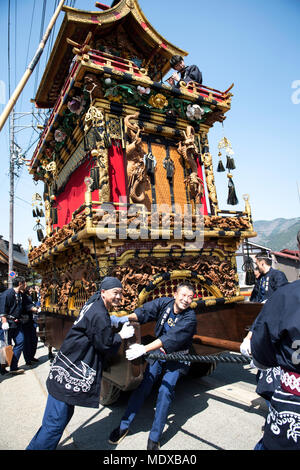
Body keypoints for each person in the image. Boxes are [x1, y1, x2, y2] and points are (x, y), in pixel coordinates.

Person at [26, 277, 135, 450]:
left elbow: (98, 322)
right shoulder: (99, 313)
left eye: (121, 293)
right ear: (103, 292)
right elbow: (105, 344)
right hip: (69, 371)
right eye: (115, 292)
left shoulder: (94, 302)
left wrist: (112, 319)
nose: (119, 297)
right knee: (55, 424)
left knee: (56, 420)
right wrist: (120, 335)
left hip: (66, 366)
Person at [108, 282, 197, 450]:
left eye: (190, 297)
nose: (186, 300)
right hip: (158, 354)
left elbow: (170, 338)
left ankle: (154, 437)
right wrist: (123, 318)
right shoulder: (165, 303)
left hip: (176, 356)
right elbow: (144, 312)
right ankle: (124, 425)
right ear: (175, 295)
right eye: (183, 295)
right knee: (143, 385)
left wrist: (143, 349)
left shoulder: (190, 318)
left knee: (165, 392)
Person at [240, 255, 288, 407]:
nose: (256, 267)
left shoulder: (277, 275)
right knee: (263, 373)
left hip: (274, 324)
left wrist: (269, 302)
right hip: (261, 321)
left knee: (271, 373)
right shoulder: (260, 279)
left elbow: (282, 294)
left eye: (256, 264)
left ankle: (275, 406)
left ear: (262, 263)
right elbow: (255, 298)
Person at [0, 276, 38, 374]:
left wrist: (36, 309)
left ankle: (13, 366)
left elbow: (28, 305)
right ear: (20, 284)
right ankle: (2, 368)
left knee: (21, 341)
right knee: (6, 346)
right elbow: (2, 310)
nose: (26, 286)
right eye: (25, 283)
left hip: (17, 323)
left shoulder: (21, 295)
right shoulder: (7, 294)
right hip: (8, 323)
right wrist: (4, 322)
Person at [22, 287, 39, 366]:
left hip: (32, 321)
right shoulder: (24, 297)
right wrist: (36, 309)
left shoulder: (31, 297)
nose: (31, 292)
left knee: (34, 340)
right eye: (30, 290)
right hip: (25, 321)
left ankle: (31, 356)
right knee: (27, 341)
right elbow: (29, 307)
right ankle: (28, 359)